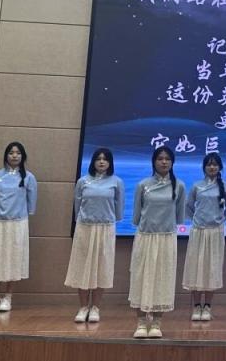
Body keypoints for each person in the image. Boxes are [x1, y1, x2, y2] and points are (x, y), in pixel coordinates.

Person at [128, 145, 186, 339]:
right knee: (141, 278)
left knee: (163, 279)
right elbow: (136, 217)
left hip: (166, 238)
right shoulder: (143, 185)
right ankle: (141, 322)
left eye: (167, 159)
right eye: (160, 158)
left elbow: (179, 217)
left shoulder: (179, 186)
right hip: (145, 237)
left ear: (172, 162)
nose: (164, 162)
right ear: (153, 162)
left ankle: (157, 323)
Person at [65, 147, 123, 323]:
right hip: (85, 228)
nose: (102, 162)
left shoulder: (116, 182)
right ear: (93, 162)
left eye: (105, 159)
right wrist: (81, 221)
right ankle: (83, 307)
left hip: (105, 228)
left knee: (101, 268)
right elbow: (77, 206)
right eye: (98, 158)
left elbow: (119, 209)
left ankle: (95, 307)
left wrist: (111, 220)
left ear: (110, 163)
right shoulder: (83, 181)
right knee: (83, 268)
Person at [0, 141, 37, 312]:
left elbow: (31, 202)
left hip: (18, 223)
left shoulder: (28, 177)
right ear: (6, 156)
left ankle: (8, 297)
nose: (14, 156)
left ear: (23, 156)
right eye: (11, 152)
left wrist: (26, 213)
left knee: (14, 259)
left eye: (18, 153)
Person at [183, 152, 226, 322]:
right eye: (209, 164)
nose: (212, 167)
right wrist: (198, 219)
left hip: (215, 232)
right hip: (198, 231)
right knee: (196, 268)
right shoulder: (196, 186)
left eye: (215, 164)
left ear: (220, 167)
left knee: (212, 268)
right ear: (204, 167)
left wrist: (219, 220)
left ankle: (208, 307)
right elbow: (188, 206)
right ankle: (196, 306)